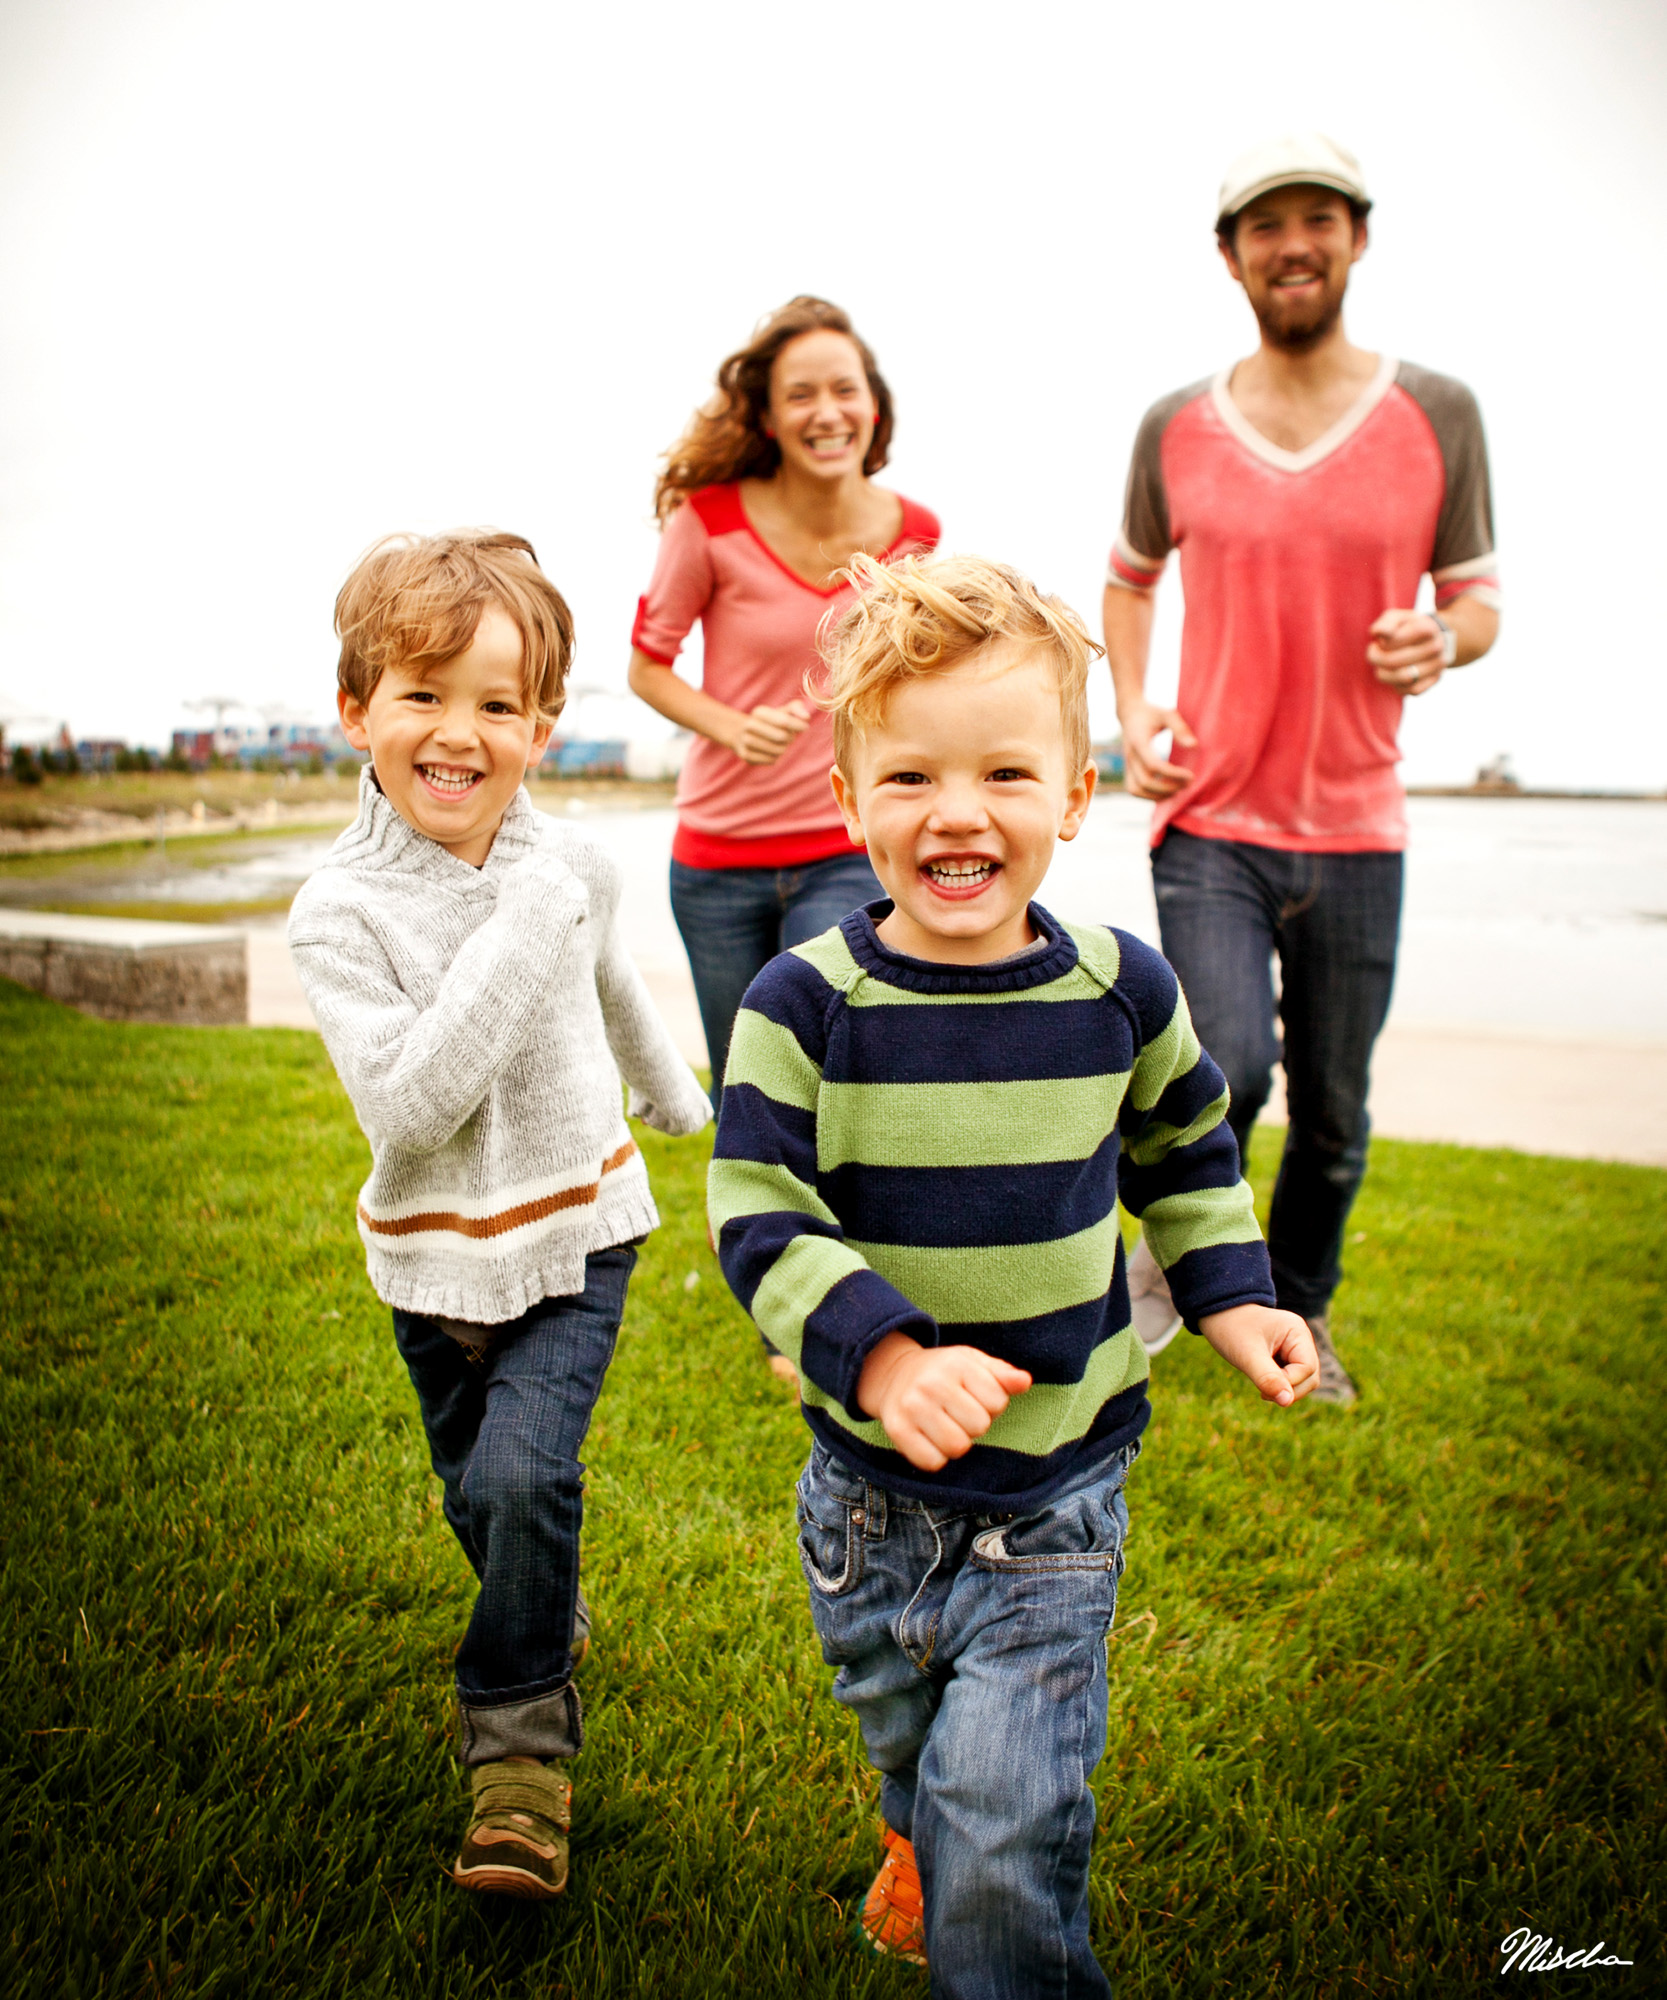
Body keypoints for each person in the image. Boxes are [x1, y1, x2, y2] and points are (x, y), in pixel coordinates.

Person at [708, 553, 1318, 1994]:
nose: (958, 812)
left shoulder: (1120, 990)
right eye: (910, 778)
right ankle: (913, 1827)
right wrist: (879, 1353)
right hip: (862, 1494)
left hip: (1052, 1497)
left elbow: (1185, 1154)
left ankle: (982, 1894)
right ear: (850, 805)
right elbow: (755, 1205)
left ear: (1073, 795)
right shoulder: (802, 1006)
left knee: (1007, 1812)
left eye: (1001, 772)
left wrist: (1232, 1297)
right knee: (903, 1739)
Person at [288, 531, 711, 1900]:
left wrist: (675, 1098)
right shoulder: (335, 913)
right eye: (421, 694)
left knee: (527, 1478)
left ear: (539, 726)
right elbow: (410, 1108)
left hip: (581, 1227)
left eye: (495, 704)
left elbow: (609, 983)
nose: (456, 732)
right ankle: (544, 1604)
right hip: (428, 1259)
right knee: (482, 1495)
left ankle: (516, 1757)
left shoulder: (570, 868)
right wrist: (519, 924)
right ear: (358, 712)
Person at [1103, 134, 1501, 1401]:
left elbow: (1478, 599)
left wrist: (1440, 636)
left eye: (1316, 218)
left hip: (1357, 827)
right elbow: (1125, 579)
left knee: (1330, 1111)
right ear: (1229, 257)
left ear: (1355, 238)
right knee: (1222, 1066)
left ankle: (1299, 1311)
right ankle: (1179, 1253)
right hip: (1209, 814)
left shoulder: (1436, 412)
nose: (1292, 243)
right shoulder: (1174, 424)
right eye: (1265, 225)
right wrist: (1131, 705)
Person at [627, 295, 941, 1095]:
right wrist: (730, 726)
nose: (826, 412)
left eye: (844, 388)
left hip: (842, 844)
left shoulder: (916, 534)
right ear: (767, 417)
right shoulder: (708, 522)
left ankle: (842, 1219)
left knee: (830, 1061)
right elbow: (647, 666)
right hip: (717, 862)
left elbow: (921, 674)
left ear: (874, 405)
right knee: (747, 1092)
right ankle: (743, 1225)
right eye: (800, 394)